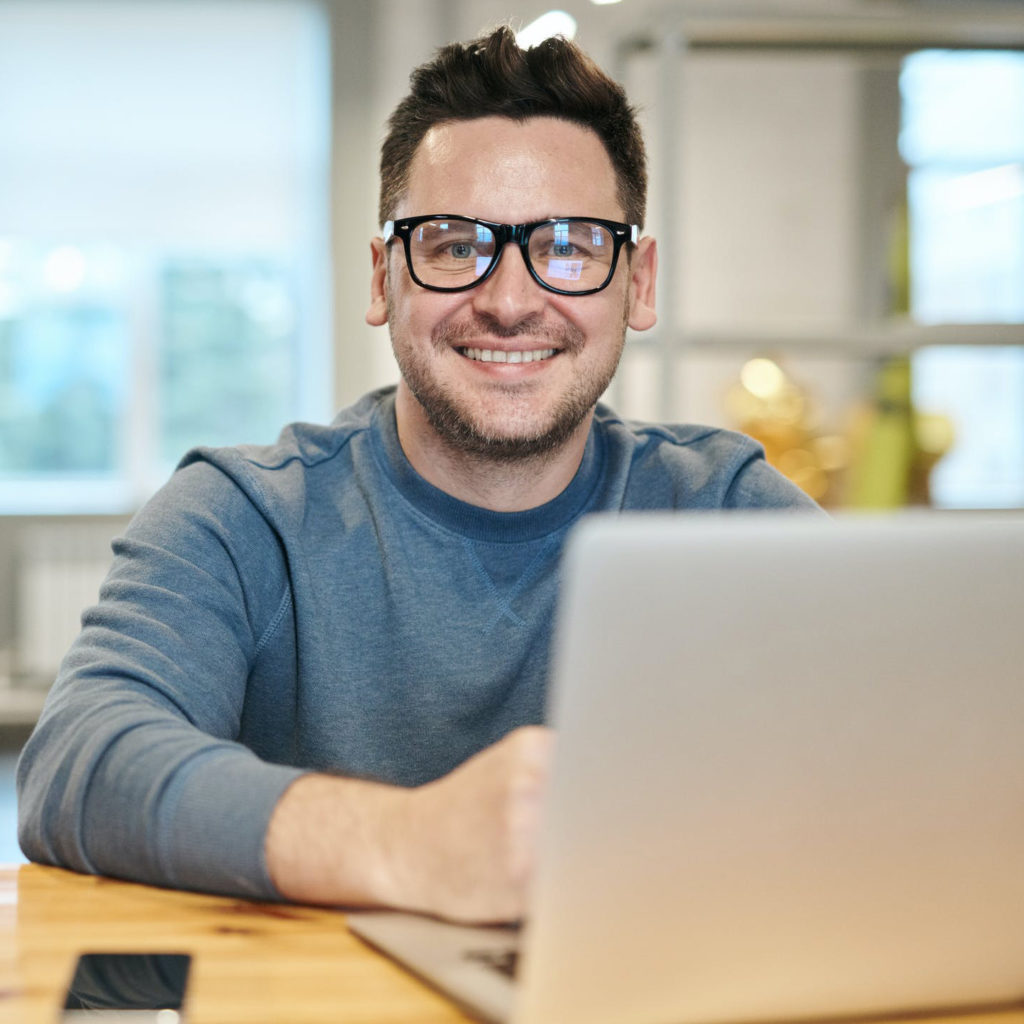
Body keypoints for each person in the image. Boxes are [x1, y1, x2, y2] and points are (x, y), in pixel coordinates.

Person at [17, 26, 818, 925]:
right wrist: (407, 843)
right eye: (450, 245)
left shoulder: (726, 512)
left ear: (636, 281)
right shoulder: (244, 517)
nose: (511, 301)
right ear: (382, 278)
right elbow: (79, 766)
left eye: (569, 244)